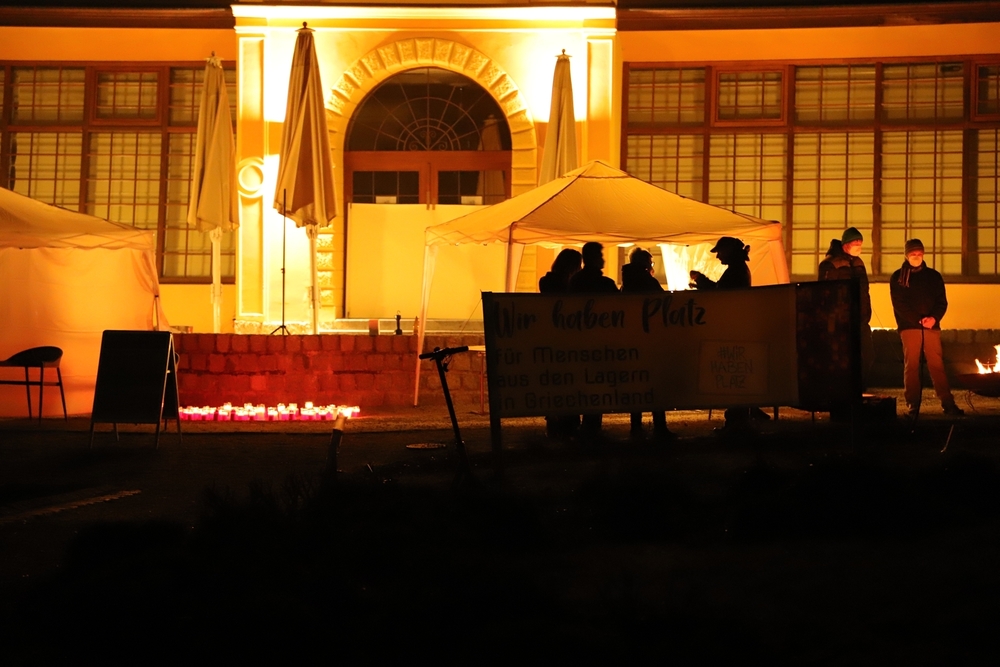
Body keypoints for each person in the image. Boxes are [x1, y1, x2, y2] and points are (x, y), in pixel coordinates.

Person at [690, 237, 763, 430]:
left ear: (729, 251)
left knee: (734, 377)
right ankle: (739, 419)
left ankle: (736, 422)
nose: (718, 256)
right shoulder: (739, 269)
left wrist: (701, 280)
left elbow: (721, 292)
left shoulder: (735, 271)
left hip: (734, 328)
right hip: (737, 327)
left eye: (720, 252)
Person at [889, 239, 964, 418]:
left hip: (931, 326)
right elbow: (899, 304)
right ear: (906, 255)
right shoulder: (899, 277)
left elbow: (942, 301)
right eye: (913, 254)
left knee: (937, 365)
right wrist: (917, 320)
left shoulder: (933, 276)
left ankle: (948, 403)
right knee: (912, 366)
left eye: (919, 253)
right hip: (909, 327)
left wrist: (934, 318)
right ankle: (913, 405)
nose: (916, 257)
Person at [620, 248, 673, 442]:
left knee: (637, 383)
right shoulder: (648, 281)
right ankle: (659, 427)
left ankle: (636, 427)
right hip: (650, 339)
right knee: (654, 384)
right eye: (650, 262)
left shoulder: (626, 282)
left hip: (632, 338)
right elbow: (663, 301)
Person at [569, 242, 619, 439]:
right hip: (599, 341)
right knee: (596, 384)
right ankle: (592, 426)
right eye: (600, 255)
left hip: (580, 341)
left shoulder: (575, 281)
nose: (603, 259)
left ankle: (585, 425)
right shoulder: (604, 284)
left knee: (585, 383)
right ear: (592, 258)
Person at [818, 227, 875, 389]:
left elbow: (864, 290)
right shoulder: (830, 264)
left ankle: (860, 388)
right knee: (842, 358)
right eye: (855, 243)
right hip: (840, 321)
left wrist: (866, 312)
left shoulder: (858, 263)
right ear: (845, 244)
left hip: (861, 319)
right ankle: (842, 390)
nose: (858, 247)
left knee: (867, 354)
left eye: (860, 244)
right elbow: (824, 294)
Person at [539, 248, 583, 439]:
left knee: (555, 383)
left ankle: (554, 423)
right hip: (566, 339)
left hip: (550, 339)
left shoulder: (546, 281)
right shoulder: (568, 285)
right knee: (568, 383)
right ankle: (568, 424)